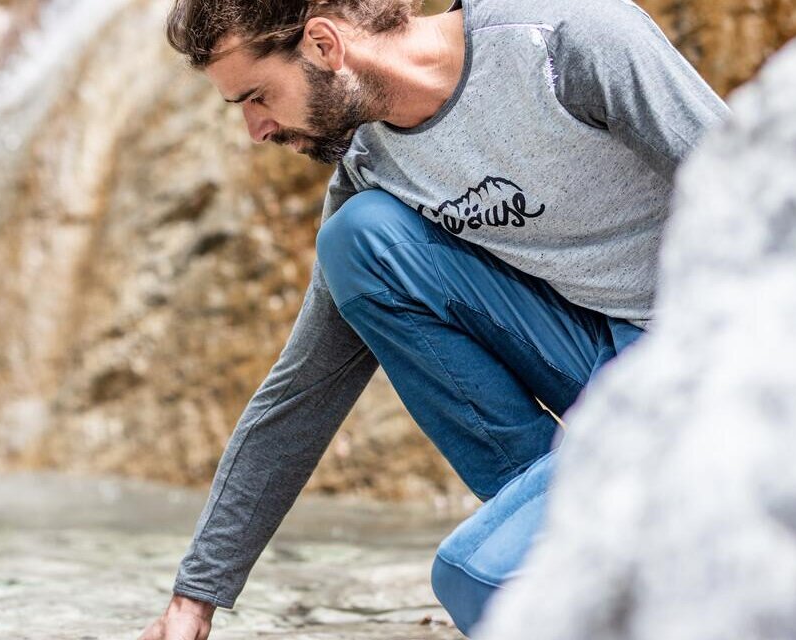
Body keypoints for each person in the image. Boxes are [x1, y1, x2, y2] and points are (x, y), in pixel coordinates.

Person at [138, 0, 728, 637]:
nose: (256, 129)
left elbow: (772, 195)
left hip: (721, 359)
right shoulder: (370, 164)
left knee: (474, 574)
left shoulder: (565, 43)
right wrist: (195, 597)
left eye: (257, 97)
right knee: (357, 241)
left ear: (323, 45)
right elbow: (305, 384)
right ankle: (572, 526)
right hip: (603, 366)